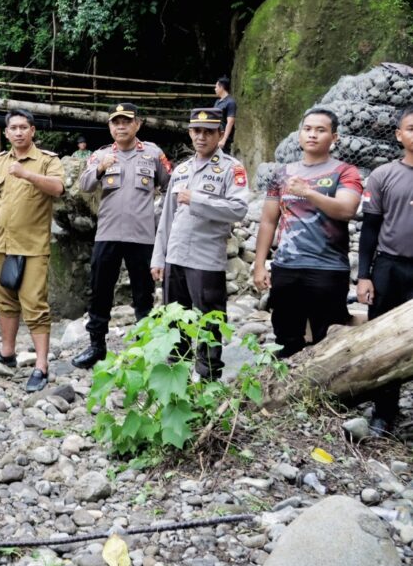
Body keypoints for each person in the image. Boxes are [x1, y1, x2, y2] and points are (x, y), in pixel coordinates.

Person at [253, 108, 362, 358]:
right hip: (286, 267)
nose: (312, 135)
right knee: (285, 337)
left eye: (321, 130)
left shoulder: (345, 172)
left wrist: (309, 192)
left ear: (334, 138)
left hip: (328, 269)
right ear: (300, 134)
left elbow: (347, 210)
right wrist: (260, 264)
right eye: (307, 129)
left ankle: (327, 395)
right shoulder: (282, 174)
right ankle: (287, 393)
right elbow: (269, 221)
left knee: (329, 339)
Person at [151, 108, 249, 380]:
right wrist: (158, 258)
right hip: (176, 258)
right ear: (190, 133)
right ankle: (177, 376)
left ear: (220, 134)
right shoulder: (181, 169)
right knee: (175, 319)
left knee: (209, 320)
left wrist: (197, 199)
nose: (202, 137)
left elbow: (239, 209)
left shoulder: (231, 168)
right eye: (197, 131)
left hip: (206, 259)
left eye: (208, 132)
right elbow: (166, 218)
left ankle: (207, 379)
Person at [72, 104, 171, 369]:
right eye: (115, 122)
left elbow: (170, 185)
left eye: (126, 121)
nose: (121, 126)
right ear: (109, 127)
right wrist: (100, 169)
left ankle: (146, 348)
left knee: (144, 294)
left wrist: (163, 223)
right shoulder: (101, 155)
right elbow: (83, 185)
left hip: (143, 238)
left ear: (137, 124)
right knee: (100, 291)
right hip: (108, 234)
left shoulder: (152, 154)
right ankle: (96, 346)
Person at [0, 109, 65, 392]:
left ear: (32, 131)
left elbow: (57, 188)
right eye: (13, 128)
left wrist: (27, 174)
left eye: (23, 127)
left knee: (35, 305)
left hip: (32, 247)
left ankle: (41, 365)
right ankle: (7, 352)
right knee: (4, 301)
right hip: (1, 243)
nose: (18, 132)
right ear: (6, 133)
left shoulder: (47, 160)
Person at [355, 106, 413, 436]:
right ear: (399, 135)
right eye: (412, 128)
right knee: (384, 341)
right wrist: (364, 275)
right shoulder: (383, 175)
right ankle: (384, 411)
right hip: (390, 266)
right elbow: (370, 230)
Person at [214, 76, 237, 153]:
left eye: (216, 87)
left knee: (223, 158)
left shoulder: (230, 102)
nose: (215, 89)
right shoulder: (217, 102)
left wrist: (224, 140)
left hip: (223, 136)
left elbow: (230, 122)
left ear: (221, 87)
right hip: (215, 134)